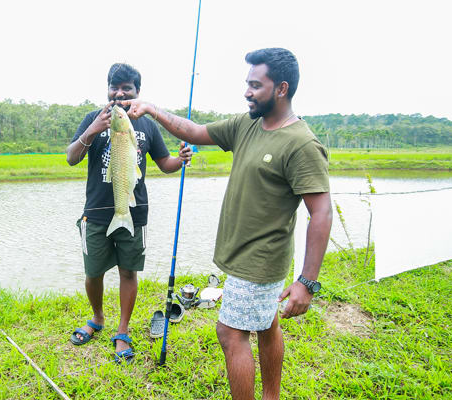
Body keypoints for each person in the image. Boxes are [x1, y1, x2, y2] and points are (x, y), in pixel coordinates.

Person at [122, 48, 332, 398]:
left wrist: (306, 282)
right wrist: (152, 109)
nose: (246, 91)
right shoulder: (248, 124)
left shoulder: (301, 144)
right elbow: (195, 130)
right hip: (245, 256)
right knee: (266, 325)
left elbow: (321, 213)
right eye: (246, 83)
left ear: (281, 89)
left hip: (260, 260)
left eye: (255, 85)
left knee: (230, 333)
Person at [66, 63, 192, 362]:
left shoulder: (147, 124)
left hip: (133, 212)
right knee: (93, 272)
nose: (120, 93)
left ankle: (122, 330)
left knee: (128, 271)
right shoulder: (91, 118)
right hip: (96, 212)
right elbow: (72, 158)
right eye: (114, 87)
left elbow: (164, 163)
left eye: (127, 88)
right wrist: (96, 127)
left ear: (137, 91)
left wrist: (181, 158)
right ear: (108, 89)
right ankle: (97, 318)